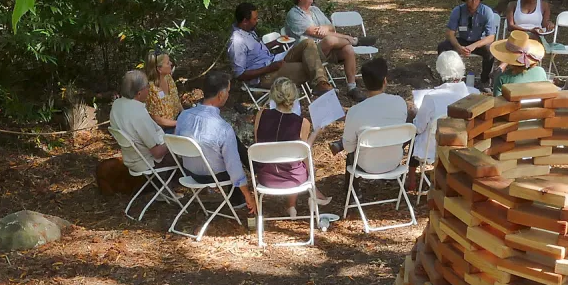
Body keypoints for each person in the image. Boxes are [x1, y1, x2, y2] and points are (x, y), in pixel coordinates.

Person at [174, 70, 257, 216]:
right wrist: (248, 195)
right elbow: (234, 169)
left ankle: (251, 178)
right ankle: (251, 182)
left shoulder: (183, 116)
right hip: (213, 176)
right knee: (230, 152)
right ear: (221, 94)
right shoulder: (223, 128)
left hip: (189, 172)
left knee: (229, 145)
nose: (228, 95)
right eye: (228, 91)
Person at [252, 77, 330, 217]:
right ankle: (302, 200)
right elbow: (303, 151)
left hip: (266, 177)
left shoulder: (261, 114)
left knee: (293, 162)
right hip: (294, 179)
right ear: (295, 98)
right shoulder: (302, 123)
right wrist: (316, 132)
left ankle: (294, 206)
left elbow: (259, 146)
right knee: (300, 163)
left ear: (273, 95)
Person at [284, 0, 365, 100]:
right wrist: (341, 36)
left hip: (325, 50)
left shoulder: (315, 10)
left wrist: (325, 28)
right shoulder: (294, 14)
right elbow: (314, 32)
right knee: (329, 40)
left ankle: (352, 87)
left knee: (348, 49)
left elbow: (331, 27)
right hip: (307, 54)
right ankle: (354, 40)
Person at [228, 2, 330, 94]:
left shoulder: (248, 31)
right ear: (245, 21)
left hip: (274, 60)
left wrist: (275, 42)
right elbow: (240, 75)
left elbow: (257, 51)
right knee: (308, 66)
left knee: (308, 43)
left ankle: (321, 83)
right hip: (265, 75)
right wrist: (269, 68)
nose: (257, 21)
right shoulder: (237, 42)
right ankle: (321, 83)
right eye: (254, 19)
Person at [342, 59, 410, 177]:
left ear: (364, 84)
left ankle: (353, 192)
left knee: (351, 154)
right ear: (385, 81)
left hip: (366, 165)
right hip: (394, 162)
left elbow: (348, 147)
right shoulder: (400, 103)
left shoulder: (355, 111)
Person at [411, 51, 475, 163]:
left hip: (433, 149)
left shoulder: (431, 98)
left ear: (439, 71)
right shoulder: (474, 94)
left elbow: (419, 128)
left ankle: (411, 180)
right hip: (465, 146)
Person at [438, 0, 499, 91]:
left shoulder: (487, 12)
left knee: (490, 51)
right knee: (443, 46)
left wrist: (474, 46)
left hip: (479, 41)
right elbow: (450, 33)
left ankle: (484, 81)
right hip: (462, 40)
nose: (473, 1)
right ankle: (447, 77)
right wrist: (458, 47)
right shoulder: (458, 11)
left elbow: (491, 37)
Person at [108, 69, 169, 176]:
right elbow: (157, 153)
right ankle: (166, 189)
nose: (149, 89)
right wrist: (172, 142)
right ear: (139, 93)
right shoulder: (139, 113)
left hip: (130, 159)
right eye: (147, 86)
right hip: (148, 163)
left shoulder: (117, 104)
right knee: (185, 154)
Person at [489, 29, 549, 95]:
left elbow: (497, 102)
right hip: (537, 105)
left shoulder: (502, 78)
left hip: (511, 105)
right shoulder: (540, 72)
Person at [143, 50, 182, 129]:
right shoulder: (150, 89)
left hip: (177, 120)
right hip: (163, 130)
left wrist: (185, 115)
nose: (171, 63)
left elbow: (176, 100)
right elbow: (155, 118)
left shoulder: (168, 78)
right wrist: (179, 123)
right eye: (167, 63)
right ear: (159, 69)